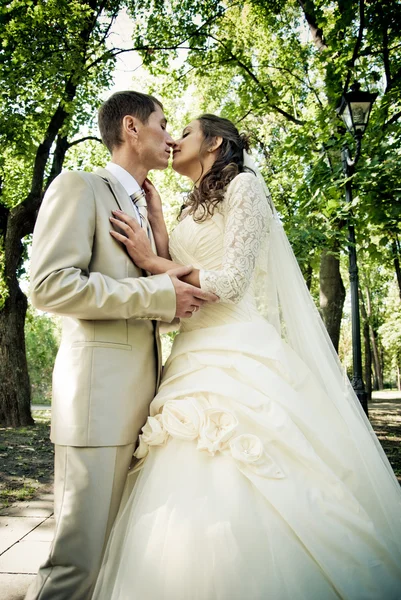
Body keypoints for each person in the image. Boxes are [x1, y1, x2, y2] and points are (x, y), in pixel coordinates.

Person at [93, 114, 401, 599]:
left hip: (236, 348)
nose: (174, 140)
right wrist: (156, 222)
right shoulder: (189, 204)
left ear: (215, 142)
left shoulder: (243, 187)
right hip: (192, 353)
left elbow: (231, 281)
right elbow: (189, 272)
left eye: (187, 133)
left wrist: (152, 263)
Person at [25, 92, 217, 600]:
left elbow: (147, 307)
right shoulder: (79, 187)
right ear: (131, 128)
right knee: (78, 566)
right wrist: (157, 293)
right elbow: (49, 285)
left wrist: (169, 296)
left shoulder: (146, 204)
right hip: (100, 408)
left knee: (118, 564)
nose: (171, 135)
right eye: (163, 122)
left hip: (150, 413)